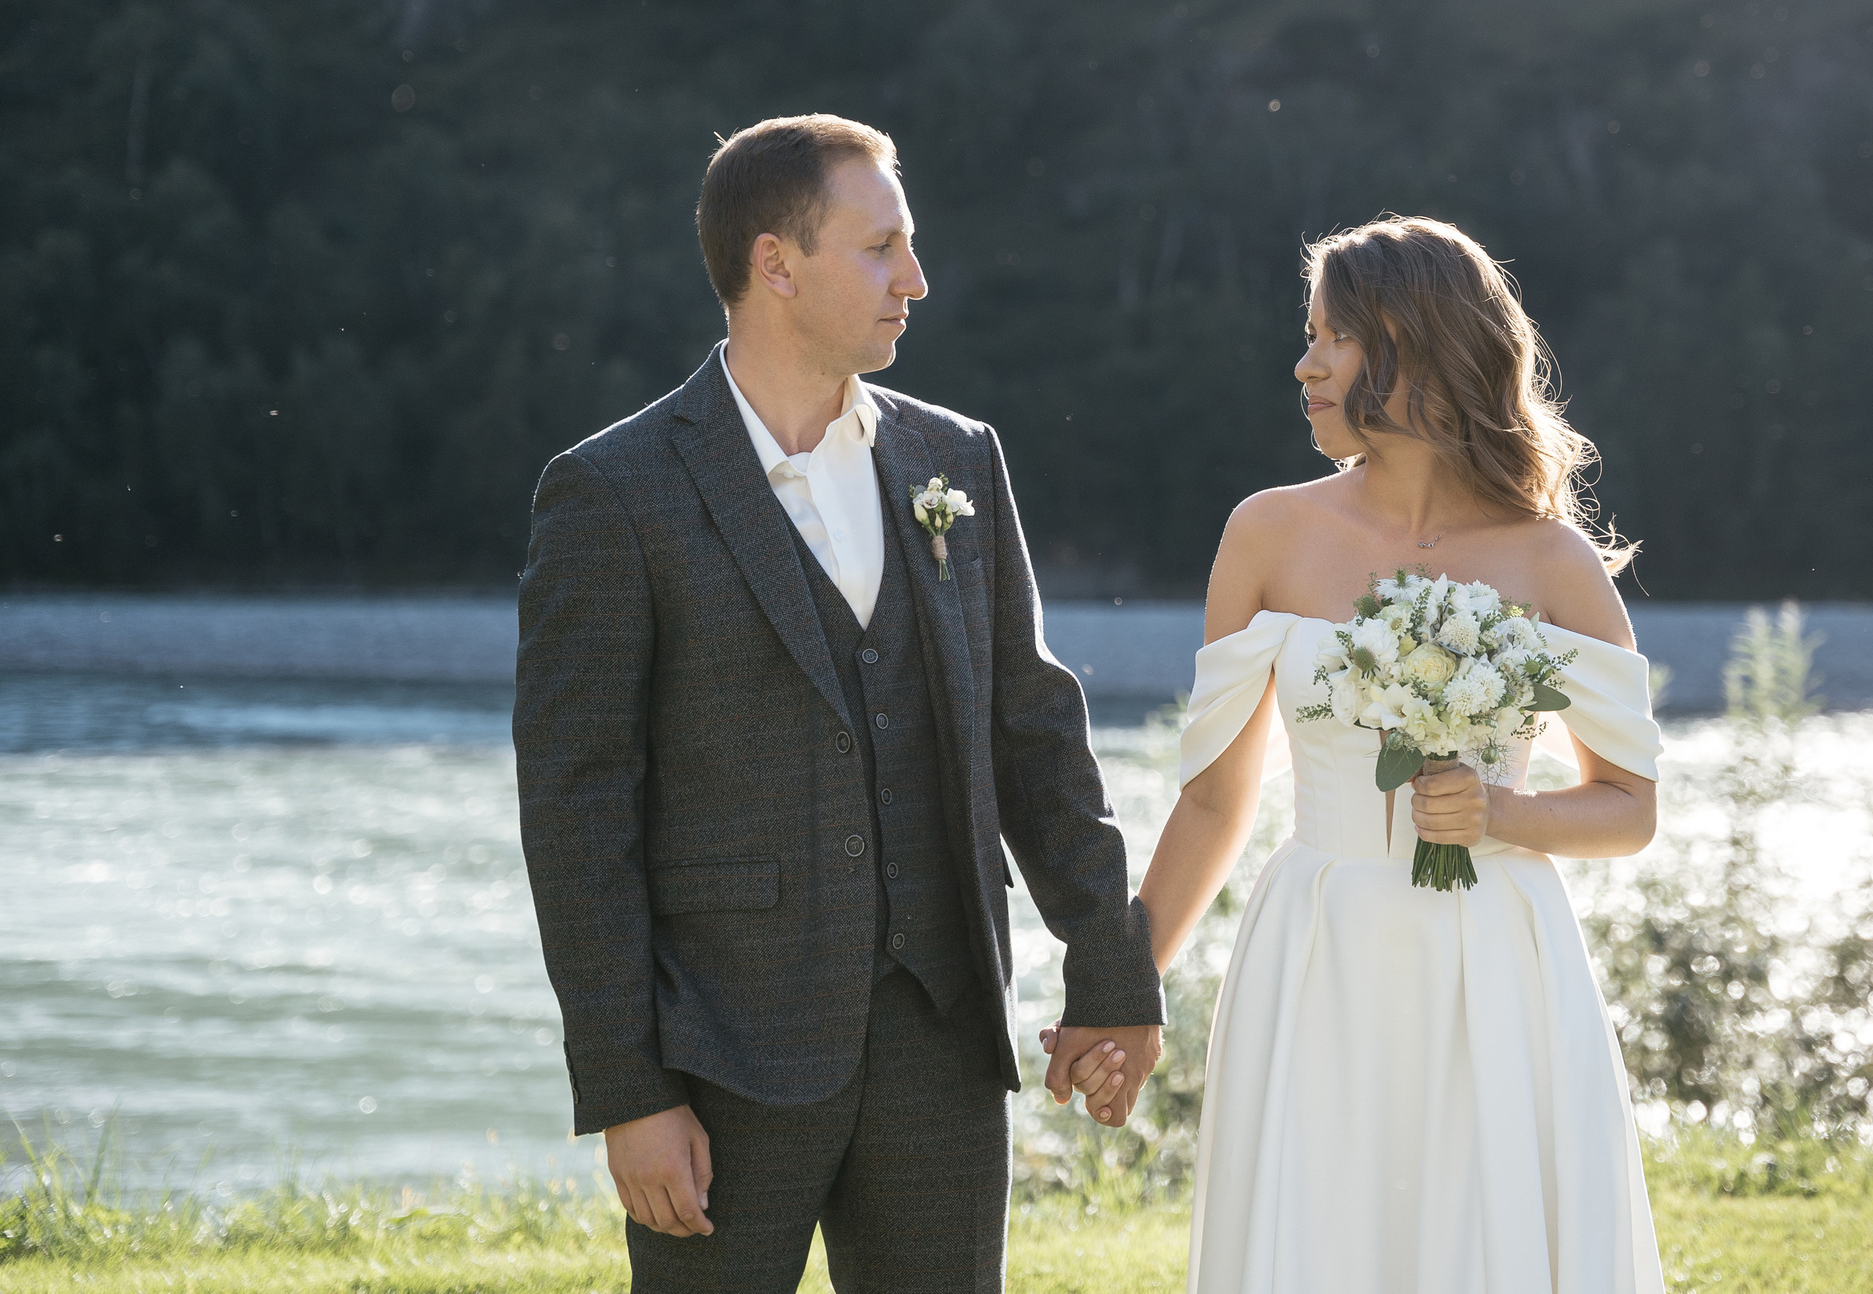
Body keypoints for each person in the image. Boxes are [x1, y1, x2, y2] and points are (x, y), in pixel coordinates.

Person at [510, 114, 1160, 1294]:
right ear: (776, 262)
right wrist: (628, 1091)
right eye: (882, 248)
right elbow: (576, 816)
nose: (915, 278)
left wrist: (1111, 970)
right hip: (720, 1057)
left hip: (943, 1043)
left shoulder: (954, 459)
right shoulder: (613, 492)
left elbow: (1034, 733)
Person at [1066, 214, 1666, 1292]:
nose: (1303, 364)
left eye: (1330, 337)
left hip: (1496, 958)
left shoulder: (1552, 562)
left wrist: (1504, 817)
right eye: (1309, 337)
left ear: (1412, 342)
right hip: (1318, 946)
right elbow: (1212, 802)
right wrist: (1123, 991)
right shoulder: (1267, 533)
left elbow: (1628, 807)